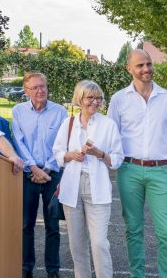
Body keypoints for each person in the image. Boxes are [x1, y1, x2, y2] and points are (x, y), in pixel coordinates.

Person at [107, 49, 167, 278]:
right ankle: (137, 275)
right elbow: (112, 133)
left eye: (148, 64)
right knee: (133, 229)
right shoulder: (119, 99)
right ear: (129, 68)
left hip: (159, 170)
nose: (146, 68)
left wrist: (155, 154)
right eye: (140, 65)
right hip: (129, 170)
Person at [53, 80, 123, 278]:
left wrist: (99, 153)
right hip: (71, 187)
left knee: (100, 243)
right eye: (90, 98)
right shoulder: (69, 123)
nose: (95, 102)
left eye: (98, 98)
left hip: (97, 188)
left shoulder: (108, 125)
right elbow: (58, 153)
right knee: (77, 245)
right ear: (79, 99)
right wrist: (70, 155)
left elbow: (117, 160)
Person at [12, 72, 67, 278]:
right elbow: (18, 142)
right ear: (26, 90)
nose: (40, 90)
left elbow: (62, 144)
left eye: (42, 86)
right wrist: (34, 168)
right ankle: (26, 269)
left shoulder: (60, 111)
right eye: (34, 87)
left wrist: (47, 169)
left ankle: (53, 270)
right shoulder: (18, 111)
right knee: (26, 225)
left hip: (53, 175)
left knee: (53, 226)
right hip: (28, 176)